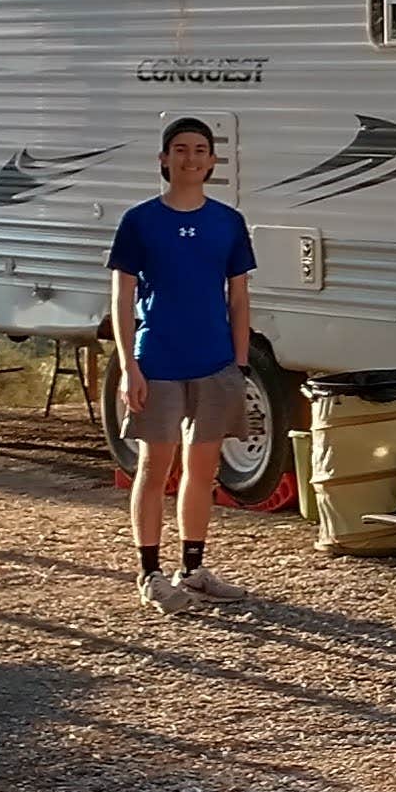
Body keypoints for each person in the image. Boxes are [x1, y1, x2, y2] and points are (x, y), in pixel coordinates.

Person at [106, 117, 257, 612]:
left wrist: (238, 361)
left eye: (199, 150)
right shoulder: (140, 221)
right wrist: (130, 367)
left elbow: (239, 297)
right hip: (159, 362)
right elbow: (122, 297)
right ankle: (149, 572)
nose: (190, 158)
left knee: (203, 467)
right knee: (155, 467)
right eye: (180, 149)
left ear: (212, 160)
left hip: (213, 363)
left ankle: (192, 567)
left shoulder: (228, 222)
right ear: (163, 159)